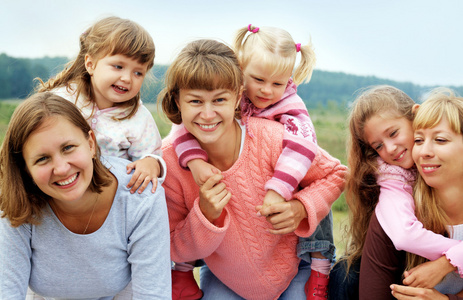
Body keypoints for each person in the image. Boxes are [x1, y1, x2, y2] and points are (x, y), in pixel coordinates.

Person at [160, 39, 347, 300]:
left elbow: (336, 174)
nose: (208, 113)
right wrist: (204, 214)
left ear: (238, 95)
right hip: (226, 279)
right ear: (177, 101)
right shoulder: (170, 161)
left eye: (219, 100)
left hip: (294, 271)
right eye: (195, 101)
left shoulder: (271, 137)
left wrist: (301, 208)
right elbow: (172, 246)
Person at [0, 93, 171, 299]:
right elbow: (7, 291)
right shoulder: (15, 204)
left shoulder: (140, 194)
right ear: (26, 168)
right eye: (43, 158)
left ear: (91, 143)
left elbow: (153, 294)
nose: (62, 169)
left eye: (68, 148)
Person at [329, 86, 463, 299]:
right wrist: (454, 256)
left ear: (416, 116)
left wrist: (446, 264)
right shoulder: (394, 183)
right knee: (346, 275)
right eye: (378, 146)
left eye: (393, 133)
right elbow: (404, 236)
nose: (390, 149)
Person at [37, 16, 165, 195]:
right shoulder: (63, 100)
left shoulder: (138, 117)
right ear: (90, 64)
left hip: (112, 197)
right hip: (61, 185)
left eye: (138, 72)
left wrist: (151, 162)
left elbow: (151, 154)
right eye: (118, 66)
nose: (127, 78)